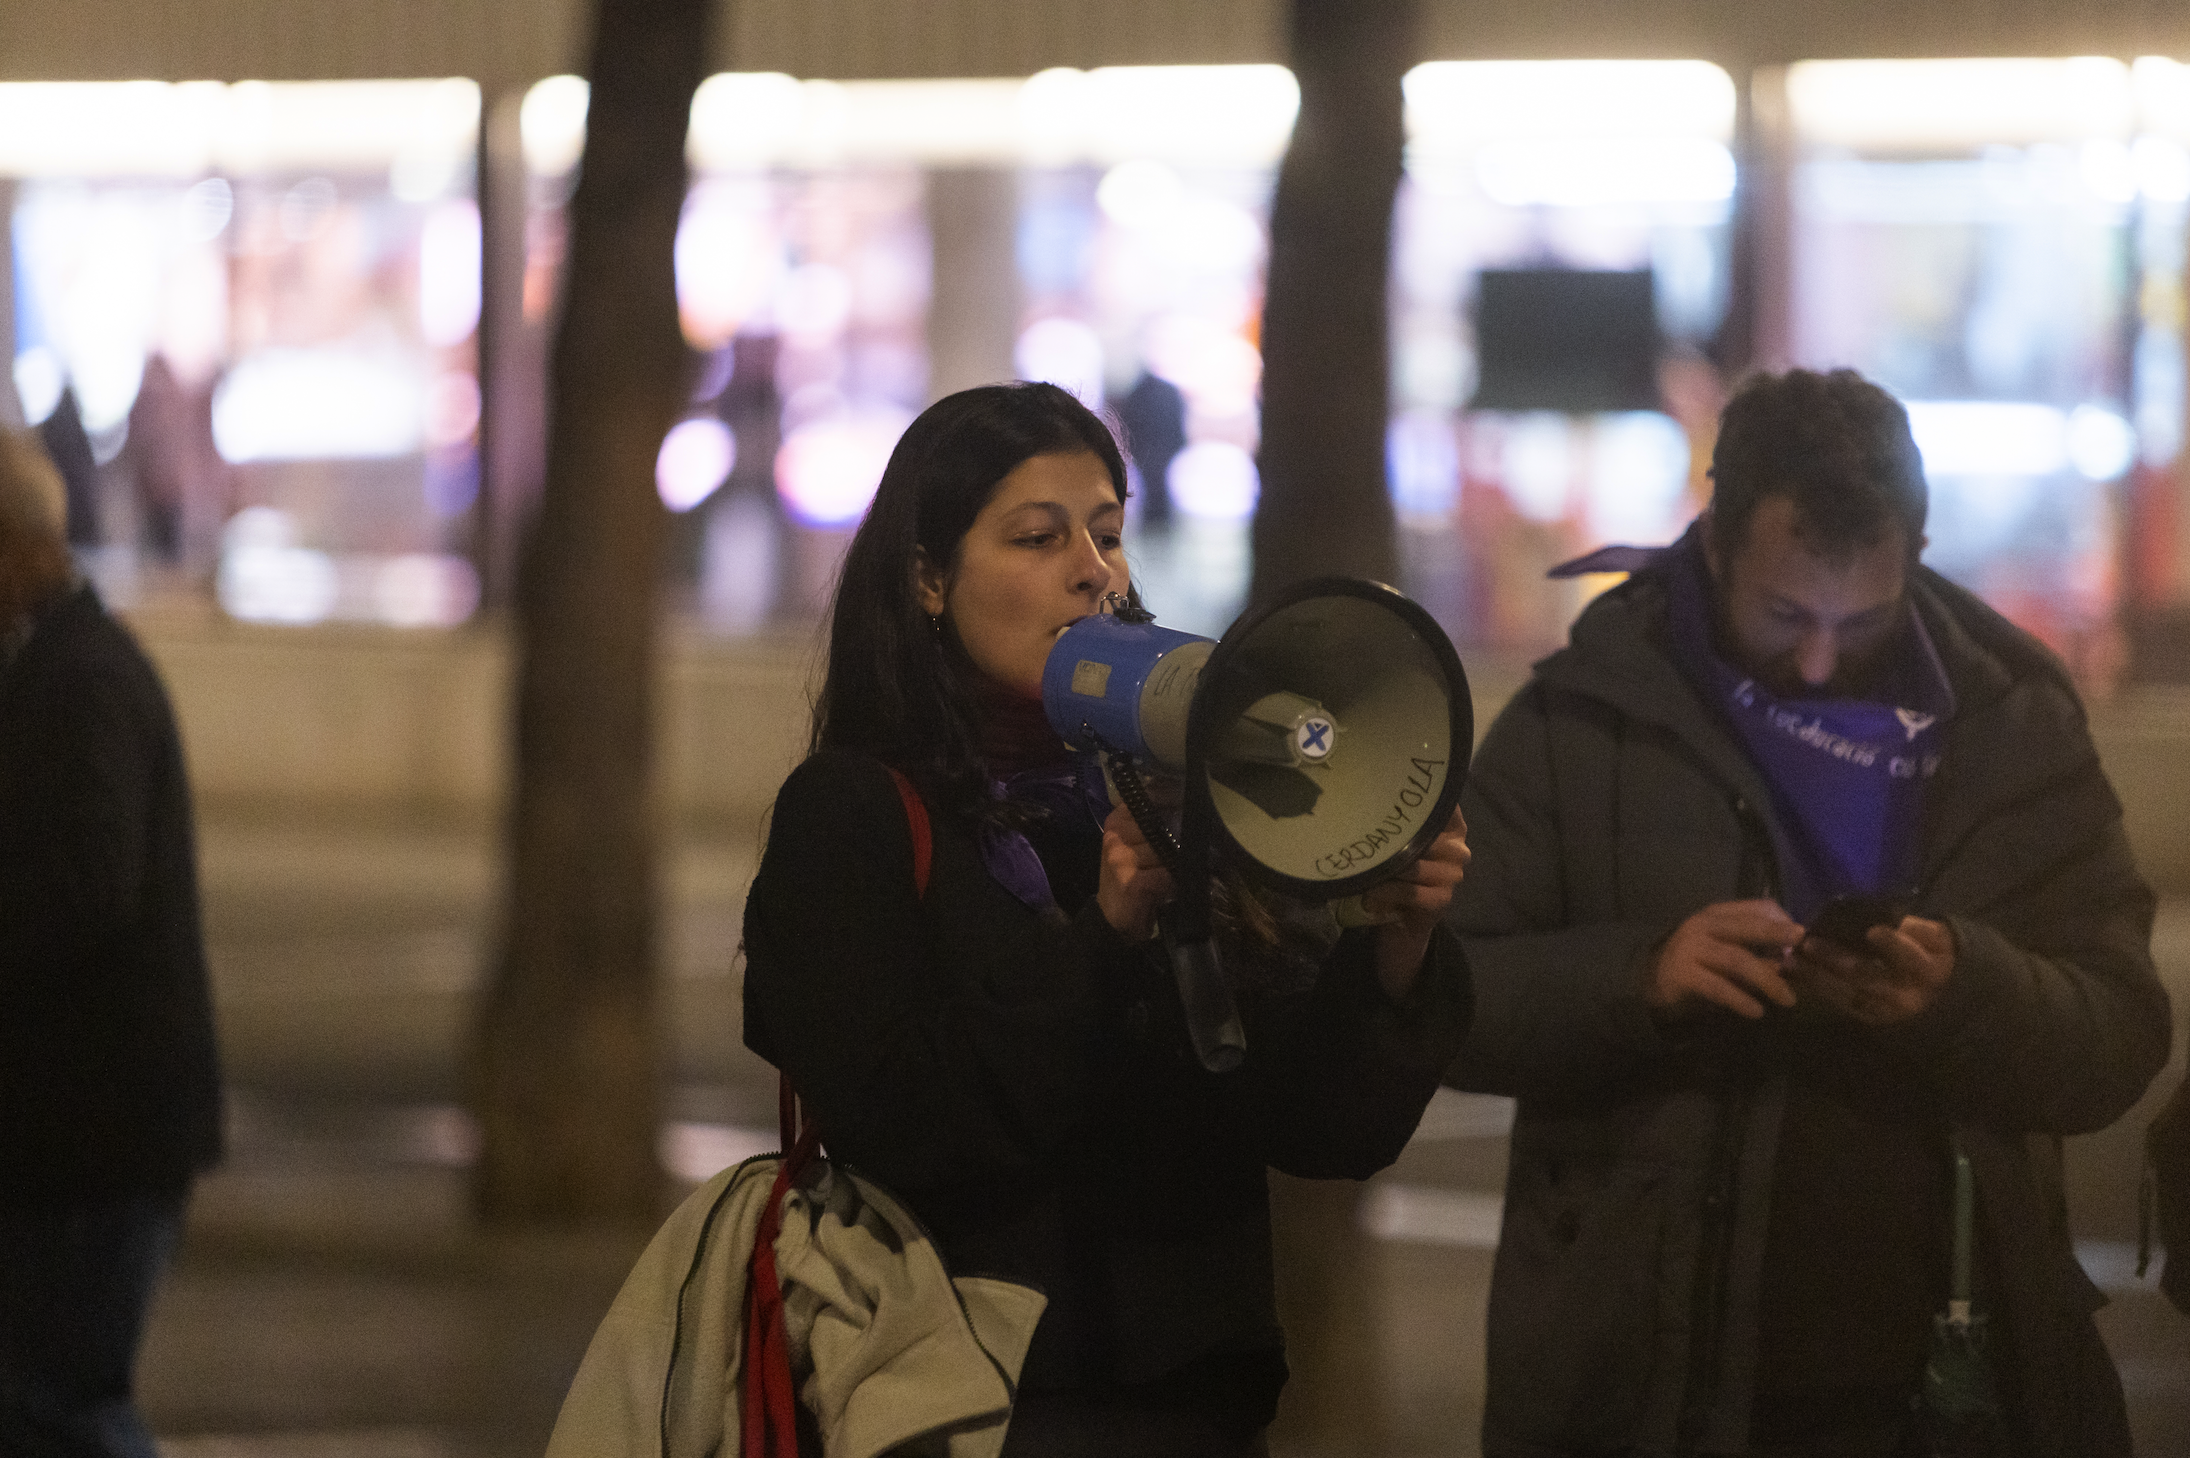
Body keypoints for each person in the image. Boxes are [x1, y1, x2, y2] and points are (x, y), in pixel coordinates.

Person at [1445, 368, 2169, 1458]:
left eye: (1862, 620)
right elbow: (1441, 991)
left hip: (1947, 1387)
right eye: (1784, 615)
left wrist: (1965, 989)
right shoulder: (1585, 716)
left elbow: (2118, 1034)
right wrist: (1643, 977)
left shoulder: (2012, 726)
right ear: (1718, 543)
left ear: (1915, 557)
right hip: (1642, 1383)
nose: (1820, 658)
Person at [740, 381, 1473, 1456]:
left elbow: (1322, 1129)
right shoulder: (855, 815)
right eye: (1038, 537)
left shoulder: (1167, 801)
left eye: (1110, 532)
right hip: (971, 1410)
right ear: (929, 581)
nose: (1093, 567)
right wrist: (1106, 934)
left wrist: (1395, 947)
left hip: (1197, 1409)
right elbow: (907, 1123)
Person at [0, 428, 223, 1458]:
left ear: (21, 549)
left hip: (95, 1138)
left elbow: (89, 886)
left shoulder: (81, 680)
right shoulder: (64, 666)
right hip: (85, 1133)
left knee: (63, 1404)